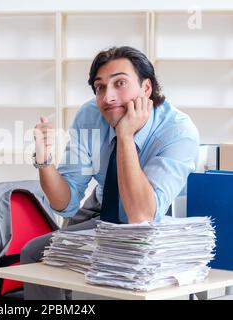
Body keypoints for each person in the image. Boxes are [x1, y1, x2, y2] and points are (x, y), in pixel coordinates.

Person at [21, 46, 200, 300]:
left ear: (146, 88)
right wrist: (44, 160)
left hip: (156, 231)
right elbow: (65, 201)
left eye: (121, 83)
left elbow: (141, 216)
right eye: (100, 87)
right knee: (33, 252)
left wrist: (125, 135)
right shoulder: (91, 116)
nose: (108, 97)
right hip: (106, 217)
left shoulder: (178, 131)